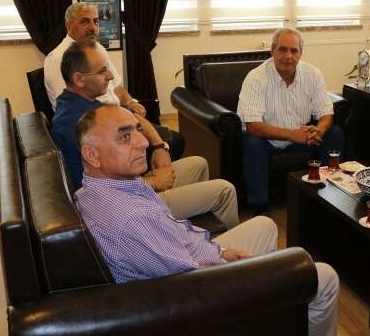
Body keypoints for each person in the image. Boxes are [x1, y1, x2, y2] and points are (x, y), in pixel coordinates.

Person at [74, 104, 339, 336]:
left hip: (191, 268)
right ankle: (260, 309)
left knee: (266, 226)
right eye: (124, 137)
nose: (143, 142)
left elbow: (175, 235)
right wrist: (231, 268)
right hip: (197, 299)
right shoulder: (131, 218)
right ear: (92, 155)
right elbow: (192, 285)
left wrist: (220, 251)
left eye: (137, 130)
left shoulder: (100, 188)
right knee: (324, 277)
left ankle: (268, 315)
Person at [51, 41, 239, 230]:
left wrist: (159, 147)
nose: (110, 76)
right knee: (224, 189)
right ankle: (224, 247)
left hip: (132, 184)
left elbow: (135, 119)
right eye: (102, 71)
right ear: (79, 79)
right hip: (126, 203)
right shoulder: (75, 123)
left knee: (198, 163)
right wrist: (153, 182)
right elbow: (98, 191)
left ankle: (184, 231)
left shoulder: (84, 105)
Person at [44, 2, 185, 159]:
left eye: (96, 21)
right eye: (85, 21)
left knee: (175, 140)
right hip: (100, 130)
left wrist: (130, 102)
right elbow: (74, 107)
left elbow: (116, 86)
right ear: (68, 24)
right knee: (174, 142)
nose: (92, 27)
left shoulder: (97, 49)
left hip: (118, 116)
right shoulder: (58, 59)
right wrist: (126, 118)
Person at [237, 27, 344, 213]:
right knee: (252, 142)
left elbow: (326, 112)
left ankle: (328, 195)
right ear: (272, 50)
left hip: (301, 139)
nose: (288, 56)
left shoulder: (313, 74)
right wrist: (292, 135)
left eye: (294, 51)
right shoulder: (256, 78)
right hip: (268, 141)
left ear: (301, 53)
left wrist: (318, 130)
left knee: (334, 133)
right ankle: (259, 207)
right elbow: (253, 125)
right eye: (283, 49)